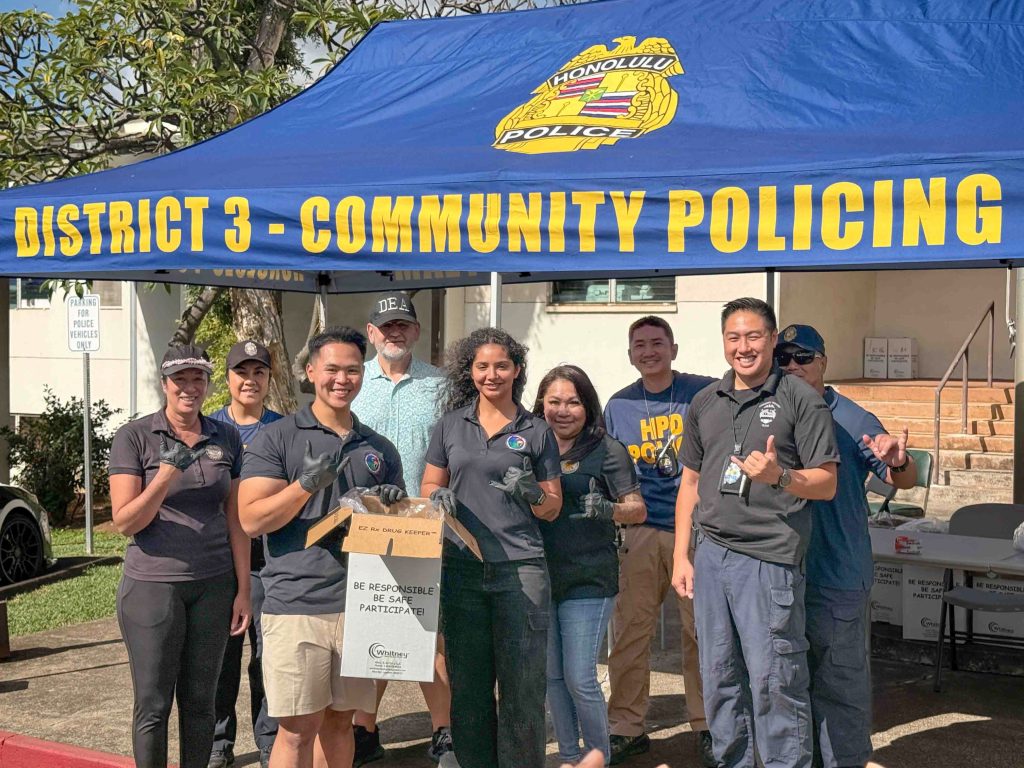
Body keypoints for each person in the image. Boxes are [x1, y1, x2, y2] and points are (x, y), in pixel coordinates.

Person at [672, 298, 840, 768]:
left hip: (768, 559)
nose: (742, 347)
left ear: (770, 340)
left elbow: (826, 482)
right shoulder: (705, 401)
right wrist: (681, 557)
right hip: (711, 556)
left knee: (775, 681)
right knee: (719, 676)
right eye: (733, 337)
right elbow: (689, 484)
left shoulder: (799, 398)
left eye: (753, 337)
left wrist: (779, 477)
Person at [238, 327, 406, 768]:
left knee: (340, 723)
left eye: (352, 370)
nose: (342, 379)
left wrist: (395, 508)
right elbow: (252, 518)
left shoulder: (378, 447)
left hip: (364, 605)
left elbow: (400, 533)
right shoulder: (277, 438)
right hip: (297, 603)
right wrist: (305, 485)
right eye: (331, 369)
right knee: (296, 730)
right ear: (310, 372)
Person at [421, 327, 562, 768]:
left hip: (521, 570)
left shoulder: (536, 431)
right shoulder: (449, 425)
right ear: (471, 371)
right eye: (482, 366)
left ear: (516, 370)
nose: (492, 374)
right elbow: (429, 483)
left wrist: (533, 493)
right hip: (463, 569)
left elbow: (553, 507)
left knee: (522, 687)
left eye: (501, 365)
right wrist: (436, 497)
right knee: (469, 686)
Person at [775, 324, 915, 768]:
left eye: (803, 356)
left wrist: (901, 461)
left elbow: (901, 479)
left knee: (840, 686)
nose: (793, 365)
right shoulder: (770, 411)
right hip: (782, 572)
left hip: (836, 573)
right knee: (789, 683)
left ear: (824, 362)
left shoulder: (852, 418)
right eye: (784, 357)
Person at [109, 345, 251, 768]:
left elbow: (237, 521)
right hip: (154, 586)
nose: (189, 388)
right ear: (164, 383)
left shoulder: (225, 436)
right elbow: (125, 522)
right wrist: (166, 475)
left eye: (198, 379)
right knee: (153, 706)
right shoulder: (135, 436)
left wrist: (243, 590)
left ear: (208, 383)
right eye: (180, 379)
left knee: (201, 702)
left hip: (214, 584)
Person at [602, 316, 716, 766]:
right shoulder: (619, 404)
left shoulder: (702, 393)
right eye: (640, 345)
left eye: (657, 343)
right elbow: (611, 468)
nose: (649, 352)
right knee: (631, 631)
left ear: (674, 347)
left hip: (698, 529)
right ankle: (626, 726)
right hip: (642, 530)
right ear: (630, 354)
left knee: (702, 632)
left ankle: (708, 722)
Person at [349, 292, 453, 765]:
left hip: (425, 525)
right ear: (372, 332)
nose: (395, 333)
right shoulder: (352, 382)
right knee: (373, 632)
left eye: (403, 326)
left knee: (429, 634)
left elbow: (453, 449)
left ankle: (444, 730)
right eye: (385, 326)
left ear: (415, 332)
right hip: (364, 526)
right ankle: (363, 731)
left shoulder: (441, 384)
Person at [532, 365, 647, 766]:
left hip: (589, 577)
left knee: (581, 677)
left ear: (588, 406)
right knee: (553, 678)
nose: (564, 411)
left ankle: (598, 756)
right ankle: (568, 756)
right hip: (538, 578)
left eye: (573, 402)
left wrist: (609, 509)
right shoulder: (530, 444)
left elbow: (637, 509)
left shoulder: (606, 449)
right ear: (540, 405)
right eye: (554, 402)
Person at [208, 340, 284, 768]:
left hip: (269, 561)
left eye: (259, 372)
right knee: (224, 658)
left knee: (268, 657)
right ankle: (220, 742)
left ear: (269, 379)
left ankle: (270, 738)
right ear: (228, 378)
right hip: (219, 560)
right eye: (242, 372)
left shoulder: (284, 429)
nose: (250, 380)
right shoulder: (210, 429)